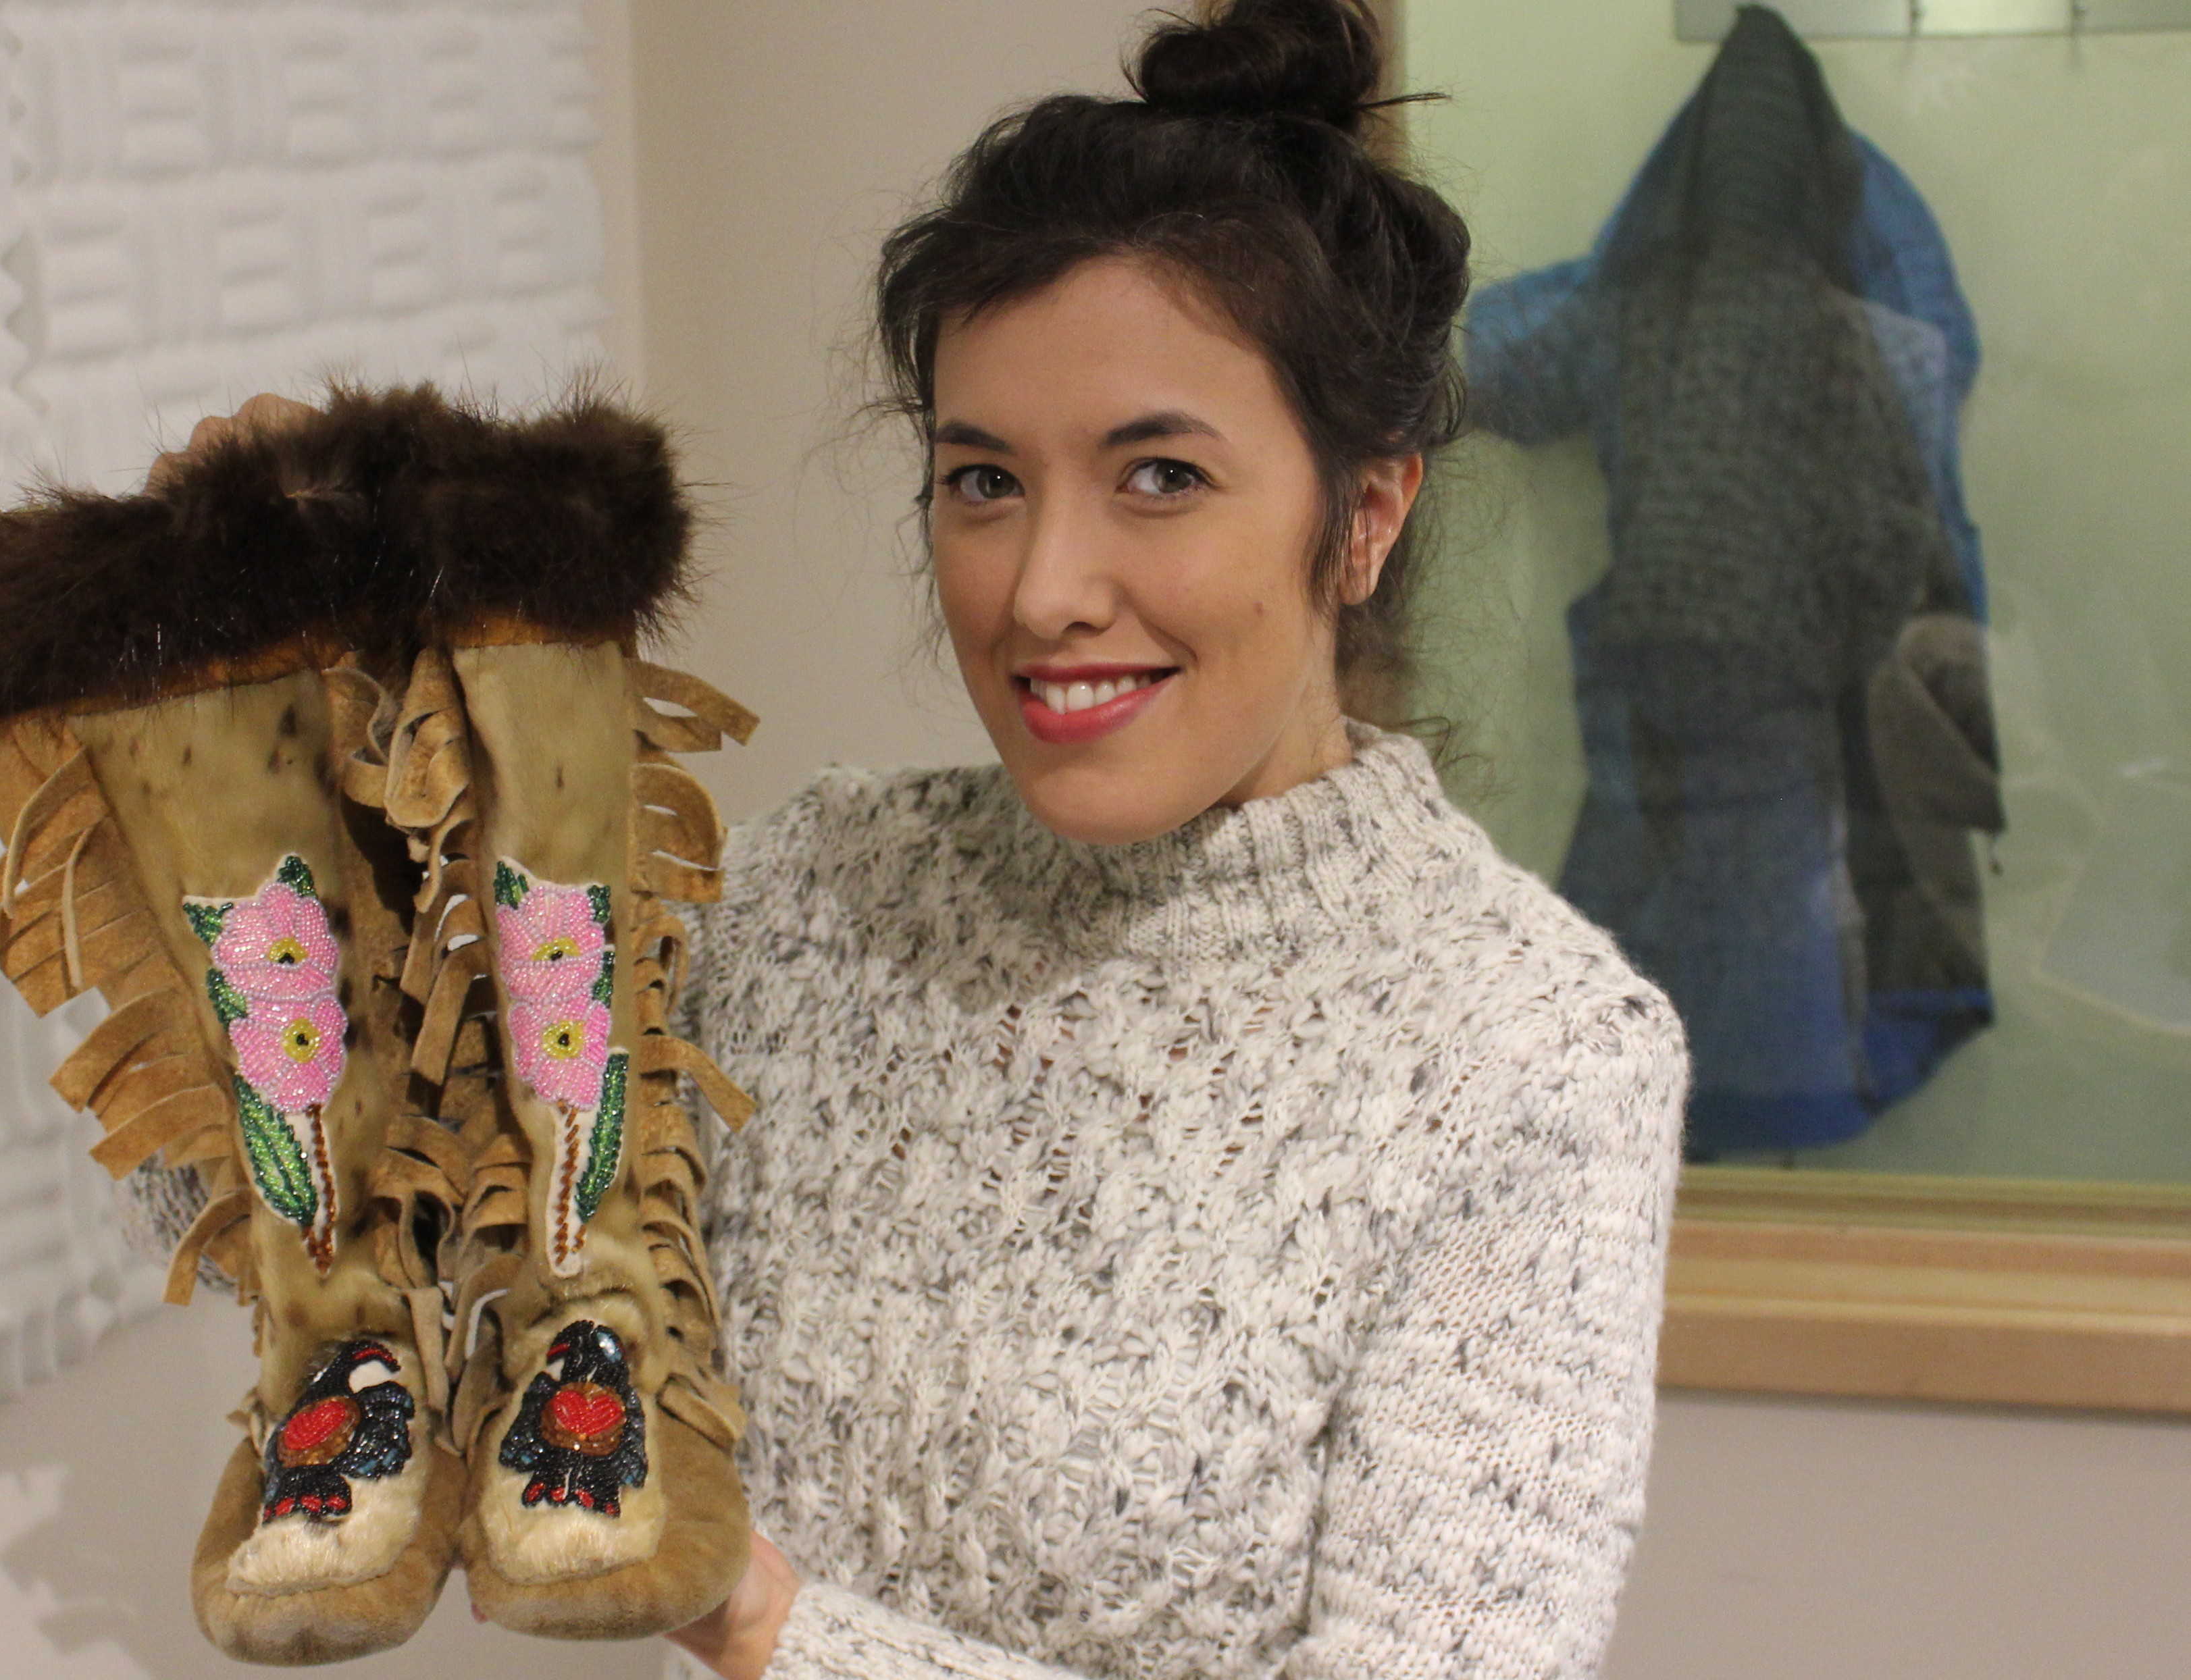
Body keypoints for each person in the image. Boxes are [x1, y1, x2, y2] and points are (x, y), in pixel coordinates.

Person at [659, 3, 1689, 1677]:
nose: (1043, 586)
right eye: (982, 480)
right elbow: (369, 1226)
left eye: (1156, 475)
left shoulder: (1528, 1057)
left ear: (1363, 514)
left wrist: (779, 1629)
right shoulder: (803, 895)